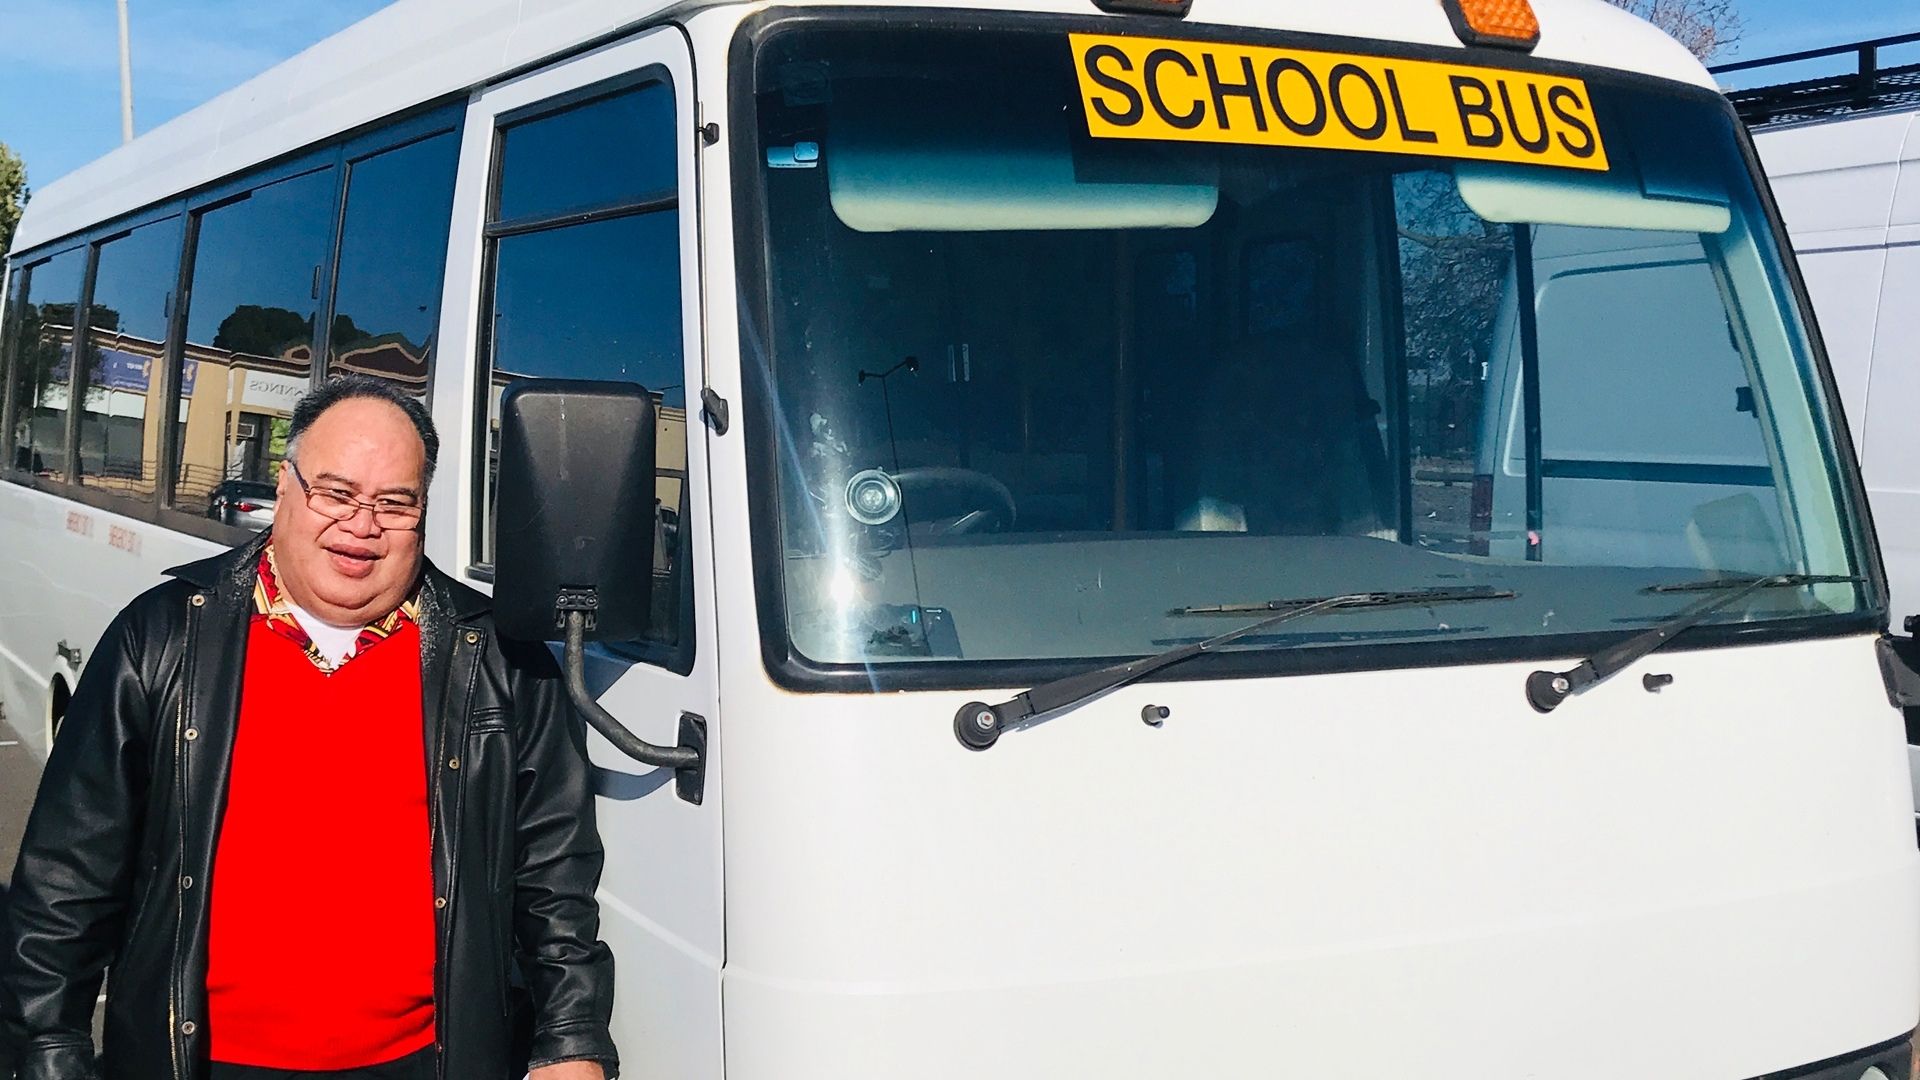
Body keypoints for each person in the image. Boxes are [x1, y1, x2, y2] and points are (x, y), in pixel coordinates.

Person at [0, 375, 617, 1080]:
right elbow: (67, 877)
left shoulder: (501, 660)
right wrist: (48, 1049)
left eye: (394, 503)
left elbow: (555, 874)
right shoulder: (163, 637)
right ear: (284, 486)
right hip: (196, 1061)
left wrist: (572, 1040)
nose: (362, 525)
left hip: (424, 1063)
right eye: (335, 492)